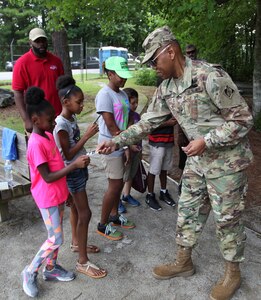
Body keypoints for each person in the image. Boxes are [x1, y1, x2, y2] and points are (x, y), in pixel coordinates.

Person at [96, 26, 254, 300]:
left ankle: (233, 273)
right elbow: (148, 122)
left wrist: (207, 141)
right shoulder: (167, 88)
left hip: (227, 164)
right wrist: (117, 141)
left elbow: (243, 120)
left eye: (154, 60)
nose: (153, 67)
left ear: (171, 51)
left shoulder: (210, 76)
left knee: (227, 221)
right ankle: (184, 262)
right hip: (197, 163)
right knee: (188, 211)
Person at [21, 86, 90, 298]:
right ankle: (30, 271)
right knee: (55, 239)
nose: (54, 123)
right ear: (35, 120)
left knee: (56, 235)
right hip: (47, 198)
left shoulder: (48, 136)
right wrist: (75, 165)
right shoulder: (35, 144)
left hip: (58, 196)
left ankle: (51, 268)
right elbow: (48, 176)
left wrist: (66, 193)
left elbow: (57, 163)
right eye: (50, 120)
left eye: (53, 119)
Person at [53, 75, 107, 279]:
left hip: (79, 168)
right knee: (86, 214)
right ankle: (82, 262)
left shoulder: (71, 117)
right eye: (79, 102)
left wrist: (87, 150)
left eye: (83, 101)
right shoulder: (60, 125)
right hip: (72, 173)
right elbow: (66, 154)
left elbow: (74, 148)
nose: (83, 105)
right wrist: (87, 137)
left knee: (76, 208)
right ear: (66, 102)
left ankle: (76, 243)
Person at [95, 56, 135, 241]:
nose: (123, 79)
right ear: (110, 74)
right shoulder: (104, 95)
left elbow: (125, 121)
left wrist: (126, 145)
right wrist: (126, 142)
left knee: (118, 184)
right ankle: (103, 225)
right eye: (120, 75)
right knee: (114, 185)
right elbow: (111, 126)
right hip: (109, 146)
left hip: (121, 143)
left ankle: (114, 216)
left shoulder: (123, 94)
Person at [12, 27, 64, 134]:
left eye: (43, 40)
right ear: (30, 42)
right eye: (37, 41)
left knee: (60, 150)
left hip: (57, 117)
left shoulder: (56, 61)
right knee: (40, 149)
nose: (41, 44)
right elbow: (17, 93)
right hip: (37, 121)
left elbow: (62, 87)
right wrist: (26, 120)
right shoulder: (22, 63)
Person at [118, 88, 142, 214]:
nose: (136, 105)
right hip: (126, 152)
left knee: (131, 174)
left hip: (136, 151)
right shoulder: (124, 117)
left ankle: (126, 195)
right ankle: (117, 201)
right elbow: (122, 135)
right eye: (133, 103)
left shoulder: (137, 116)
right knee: (123, 176)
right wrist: (130, 146)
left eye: (136, 102)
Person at [145, 116, 176, 211]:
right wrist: (167, 123)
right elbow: (149, 124)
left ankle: (163, 192)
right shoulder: (154, 105)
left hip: (168, 140)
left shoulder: (171, 104)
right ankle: (150, 195)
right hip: (157, 142)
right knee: (153, 170)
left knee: (164, 168)